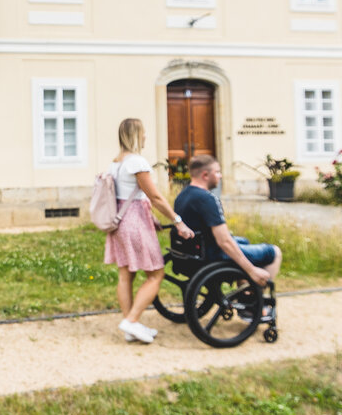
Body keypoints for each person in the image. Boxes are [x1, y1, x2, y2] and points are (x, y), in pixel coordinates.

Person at [104, 118, 195, 344]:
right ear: (136, 135)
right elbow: (155, 197)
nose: (145, 136)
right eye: (143, 132)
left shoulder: (115, 163)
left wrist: (151, 216)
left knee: (126, 275)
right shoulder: (137, 162)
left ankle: (130, 327)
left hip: (119, 221)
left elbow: (129, 196)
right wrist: (178, 221)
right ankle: (131, 321)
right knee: (156, 274)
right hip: (134, 223)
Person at [174, 154, 282, 286]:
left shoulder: (182, 195)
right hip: (212, 255)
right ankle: (255, 294)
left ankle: (245, 289)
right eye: (217, 172)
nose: (220, 176)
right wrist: (252, 270)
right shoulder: (207, 199)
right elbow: (224, 241)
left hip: (192, 254)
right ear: (205, 175)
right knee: (274, 252)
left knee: (244, 241)